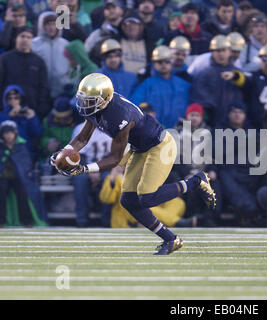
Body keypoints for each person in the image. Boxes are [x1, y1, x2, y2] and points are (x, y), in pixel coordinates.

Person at [50, 73, 216, 254]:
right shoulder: (98, 108)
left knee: (147, 197)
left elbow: (114, 159)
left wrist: (84, 169)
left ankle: (196, 181)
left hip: (159, 146)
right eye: (83, 99)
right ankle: (171, 239)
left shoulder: (119, 116)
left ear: (104, 99)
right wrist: (63, 151)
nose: (84, 104)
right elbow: (82, 138)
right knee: (128, 200)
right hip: (140, 147)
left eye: (90, 100)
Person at [221, 44, 267, 128]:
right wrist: (233, 75)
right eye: (265, 60)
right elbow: (243, 79)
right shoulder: (254, 77)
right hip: (258, 123)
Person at [100, 164, 187, 228]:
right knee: (139, 205)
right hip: (128, 217)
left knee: (178, 202)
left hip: (150, 207)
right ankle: (176, 222)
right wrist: (112, 178)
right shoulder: (117, 178)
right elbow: (106, 199)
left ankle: (150, 224)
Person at [190, 34, 244, 127]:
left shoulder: (237, 73)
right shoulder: (204, 74)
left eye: (224, 50)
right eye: (217, 51)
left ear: (230, 52)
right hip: (211, 122)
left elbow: (245, 93)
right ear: (212, 52)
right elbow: (199, 99)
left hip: (233, 123)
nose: (221, 54)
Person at [130, 45, 190, 128]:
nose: (163, 65)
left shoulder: (183, 85)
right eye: (160, 62)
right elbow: (134, 106)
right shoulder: (147, 84)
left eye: (167, 62)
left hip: (177, 131)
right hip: (153, 130)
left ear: (171, 63)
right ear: (154, 63)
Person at [0, 120, 46, 227]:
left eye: (10, 133)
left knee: (23, 193)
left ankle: (26, 221)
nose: (8, 136)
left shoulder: (22, 144)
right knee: (1, 192)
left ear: (15, 133)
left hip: (19, 176)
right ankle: (1, 221)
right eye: (5, 133)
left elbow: (26, 162)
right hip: (3, 176)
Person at [0, 26, 51, 119]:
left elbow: (44, 87)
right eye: (22, 36)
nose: (25, 40)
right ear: (16, 38)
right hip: (8, 110)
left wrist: (40, 109)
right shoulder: (4, 58)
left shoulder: (38, 61)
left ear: (32, 40)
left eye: (29, 37)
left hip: (32, 109)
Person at [31, 11, 70, 100]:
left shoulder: (65, 44)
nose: (51, 28)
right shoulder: (34, 44)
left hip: (62, 90)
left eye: (54, 24)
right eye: (48, 24)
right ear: (42, 26)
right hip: (40, 90)